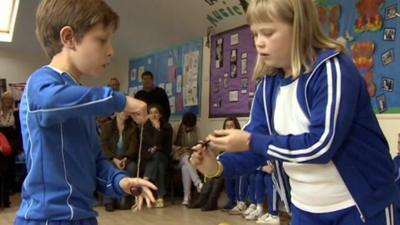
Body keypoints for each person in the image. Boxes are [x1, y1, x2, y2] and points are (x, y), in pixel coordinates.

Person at [191, 0, 400, 225]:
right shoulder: (267, 86)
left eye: (268, 33)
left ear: (299, 27)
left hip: (363, 209)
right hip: (304, 210)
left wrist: (251, 141)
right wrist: (216, 166)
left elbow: (321, 145)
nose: (259, 43)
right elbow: (256, 143)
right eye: (255, 34)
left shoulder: (332, 70)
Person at [15, 1, 156, 224]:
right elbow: (51, 101)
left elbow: (95, 162)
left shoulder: (82, 100)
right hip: (47, 218)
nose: (111, 51)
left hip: (83, 217)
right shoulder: (41, 81)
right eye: (102, 39)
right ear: (69, 37)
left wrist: (121, 182)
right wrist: (118, 101)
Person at [100, 111, 139, 211]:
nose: (125, 113)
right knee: (109, 168)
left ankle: (124, 198)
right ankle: (109, 201)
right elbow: (104, 147)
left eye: (127, 111)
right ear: (116, 112)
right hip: (110, 158)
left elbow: (133, 148)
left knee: (132, 167)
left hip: (127, 158)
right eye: (122, 110)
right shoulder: (107, 126)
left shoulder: (133, 127)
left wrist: (125, 159)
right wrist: (114, 159)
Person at [140, 104, 172, 208]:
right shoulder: (145, 127)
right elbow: (150, 142)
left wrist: (158, 129)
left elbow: (166, 147)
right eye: (151, 113)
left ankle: (145, 180)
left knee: (158, 156)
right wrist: (156, 147)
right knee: (159, 166)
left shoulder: (167, 127)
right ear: (148, 115)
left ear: (160, 115)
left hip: (163, 156)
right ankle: (160, 197)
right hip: (148, 158)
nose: (153, 115)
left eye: (156, 112)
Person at [171, 112, 203, 205]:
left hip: (190, 158)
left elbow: (200, 141)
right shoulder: (176, 128)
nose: (189, 129)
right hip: (177, 158)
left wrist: (199, 146)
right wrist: (180, 148)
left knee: (186, 167)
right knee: (186, 158)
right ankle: (198, 183)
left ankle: (186, 197)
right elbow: (169, 145)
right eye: (187, 127)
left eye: (191, 128)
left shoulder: (196, 129)